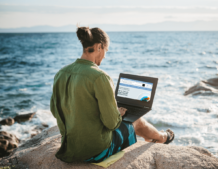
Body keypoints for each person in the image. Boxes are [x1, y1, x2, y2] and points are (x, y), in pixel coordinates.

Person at [50, 26, 175, 163]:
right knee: (136, 121)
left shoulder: (61, 73)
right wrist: (118, 114)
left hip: (69, 149)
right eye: (106, 50)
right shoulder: (100, 77)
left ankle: (151, 138)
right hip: (95, 152)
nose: (104, 56)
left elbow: (54, 110)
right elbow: (111, 124)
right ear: (99, 47)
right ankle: (162, 138)